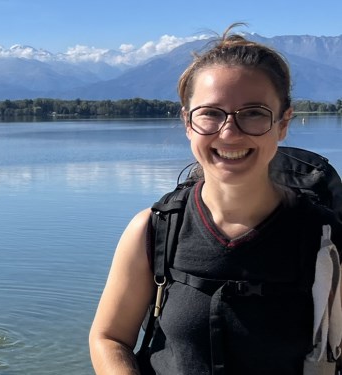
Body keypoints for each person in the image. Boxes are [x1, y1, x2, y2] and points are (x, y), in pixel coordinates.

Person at [89, 23, 342, 374]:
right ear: (187, 123)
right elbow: (109, 338)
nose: (229, 133)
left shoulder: (326, 240)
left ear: (284, 123)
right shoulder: (154, 230)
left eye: (253, 113)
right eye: (210, 113)